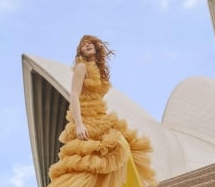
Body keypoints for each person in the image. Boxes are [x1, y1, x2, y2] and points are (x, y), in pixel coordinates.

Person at [48, 35, 157, 187]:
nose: (86, 45)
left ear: (96, 46)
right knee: (98, 159)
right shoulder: (81, 67)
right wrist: (79, 124)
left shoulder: (99, 70)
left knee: (119, 150)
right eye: (83, 45)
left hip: (100, 117)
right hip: (86, 119)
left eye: (89, 43)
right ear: (80, 51)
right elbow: (73, 94)